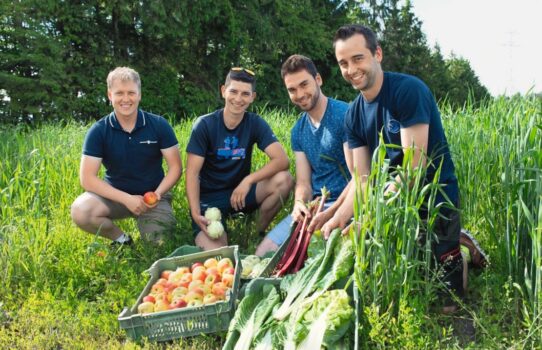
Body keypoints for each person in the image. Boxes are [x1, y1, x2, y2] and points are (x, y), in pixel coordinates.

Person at [322, 24, 470, 312]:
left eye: (358, 58)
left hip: (433, 201)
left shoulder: (406, 91)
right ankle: (442, 250)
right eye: (343, 63)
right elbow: (363, 180)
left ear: (377, 54)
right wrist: (336, 220)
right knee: (401, 282)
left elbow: (414, 170)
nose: (351, 69)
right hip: (393, 207)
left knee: (448, 305)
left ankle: (460, 250)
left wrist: (373, 217)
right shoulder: (352, 115)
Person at [71, 67, 182, 245]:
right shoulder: (99, 131)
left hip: (154, 197)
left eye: (131, 93)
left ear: (139, 94)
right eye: (119, 93)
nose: (126, 99)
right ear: (110, 95)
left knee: (159, 245)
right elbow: (87, 179)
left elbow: (176, 167)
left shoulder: (159, 125)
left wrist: (158, 194)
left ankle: (152, 224)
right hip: (115, 197)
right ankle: (121, 240)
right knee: (81, 211)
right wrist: (127, 199)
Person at [186, 67, 293, 251]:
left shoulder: (255, 123)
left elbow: (282, 160)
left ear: (253, 97)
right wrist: (195, 212)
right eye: (233, 91)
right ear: (223, 91)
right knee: (219, 256)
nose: (238, 98)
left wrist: (248, 180)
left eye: (245, 94)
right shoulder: (205, 125)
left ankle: (256, 232)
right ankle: (217, 234)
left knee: (284, 179)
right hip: (209, 200)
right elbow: (192, 173)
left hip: (240, 193)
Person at [255, 54, 353, 256]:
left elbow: (359, 176)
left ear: (318, 80)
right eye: (292, 90)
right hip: (315, 206)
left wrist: (332, 212)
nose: (299, 94)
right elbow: (303, 183)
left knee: (320, 261)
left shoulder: (345, 115)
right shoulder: (298, 131)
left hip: (348, 204)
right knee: (262, 253)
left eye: (304, 85)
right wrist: (299, 203)